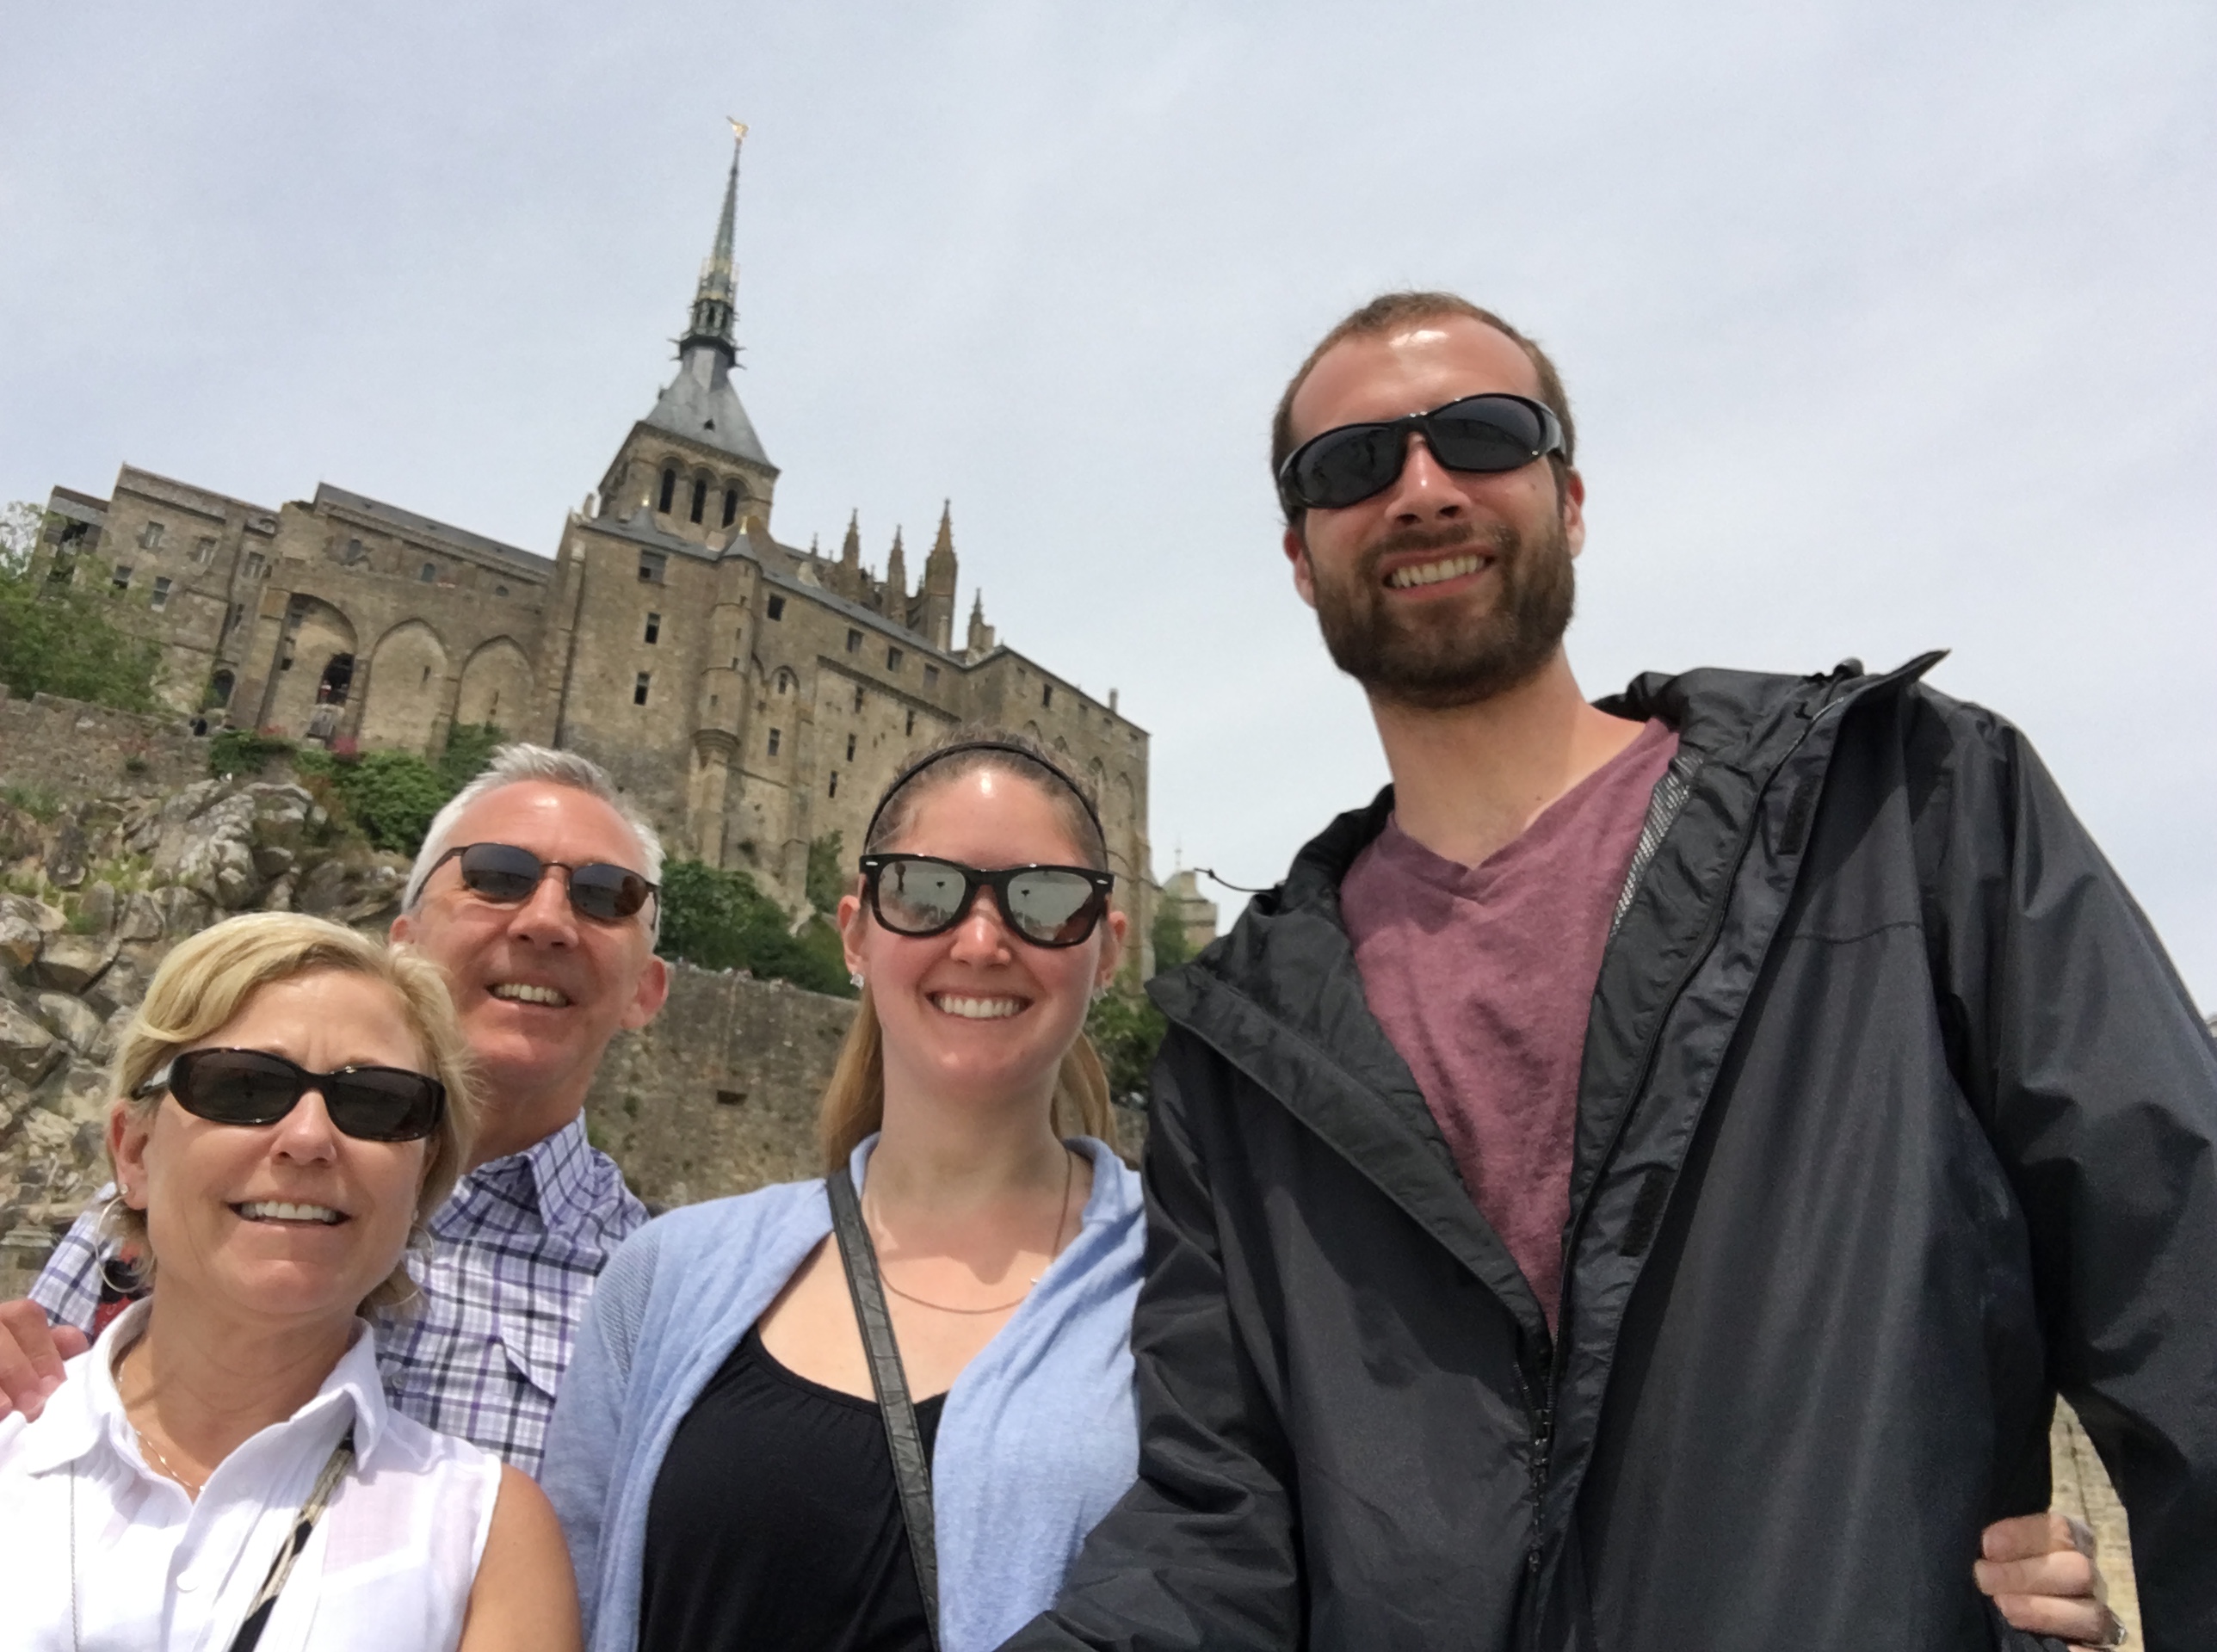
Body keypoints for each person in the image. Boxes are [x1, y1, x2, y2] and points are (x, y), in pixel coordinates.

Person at [1009, 294, 2212, 1651]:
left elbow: (2184, 1277)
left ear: (1568, 498)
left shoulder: (1903, 816)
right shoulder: (1240, 1049)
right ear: (1301, 557)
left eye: (1480, 436)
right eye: (1349, 466)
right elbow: (1212, 1532)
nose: (1419, 488)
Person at [540, 730, 1147, 1652]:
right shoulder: (666, 1275)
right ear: (856, 933)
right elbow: (570, 1615)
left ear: (1105, 951)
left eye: (1043, 900)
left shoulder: (1197, 1287)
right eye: (927, 891)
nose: (981, 941)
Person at [2, 743, 671, 1470]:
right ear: (404, 945)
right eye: (496, 876)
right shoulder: (178, 1192)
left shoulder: (659, 1299)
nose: (546, 920)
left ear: (647, 990)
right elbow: (33, 1419)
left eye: (607, 896)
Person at [0, 912, 580, 1650]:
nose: (309, 1138)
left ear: (422, 1178)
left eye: (375, 1103)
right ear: (136, 1151)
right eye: (243, 1087)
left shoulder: (483, 1536)